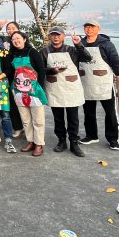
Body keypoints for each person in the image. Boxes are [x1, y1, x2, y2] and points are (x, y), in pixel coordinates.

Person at [41, 26, 92, 157]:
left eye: (58, 34)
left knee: (73, 118)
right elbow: (40, 69)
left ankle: (74, 143)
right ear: (50, 37)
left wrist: (79, 44)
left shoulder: (72, 50)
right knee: (58, 118)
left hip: (71, 88)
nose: (55, 37)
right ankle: (61, 141)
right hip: (54, 88)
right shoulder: (44, 51)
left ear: (63, 36)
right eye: (53, 35)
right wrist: (52, 70)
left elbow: (88, 58)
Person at [79, 20, 119, 150]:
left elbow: (116, 62)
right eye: (86, 27)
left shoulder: (106, 44)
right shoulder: (80, 44)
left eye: (92, 27)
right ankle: (91, 135)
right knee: (88, 112)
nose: (89, 29)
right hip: (86, 82)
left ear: (98, 29)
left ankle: (113, 139)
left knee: (110, 112)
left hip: (104, 83)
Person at [8, 31, 48, 156]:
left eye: (18, 38)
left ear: (24, 39)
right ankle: (30, 141)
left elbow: (41, 71)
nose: (16, 41)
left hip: (34, 90)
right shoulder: (12, 54)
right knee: (26, 119)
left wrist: (39, 88)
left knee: (38, 119)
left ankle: (39, 144)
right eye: (13, 39)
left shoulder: (33, 52)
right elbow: (10, 73)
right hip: (19, 90)